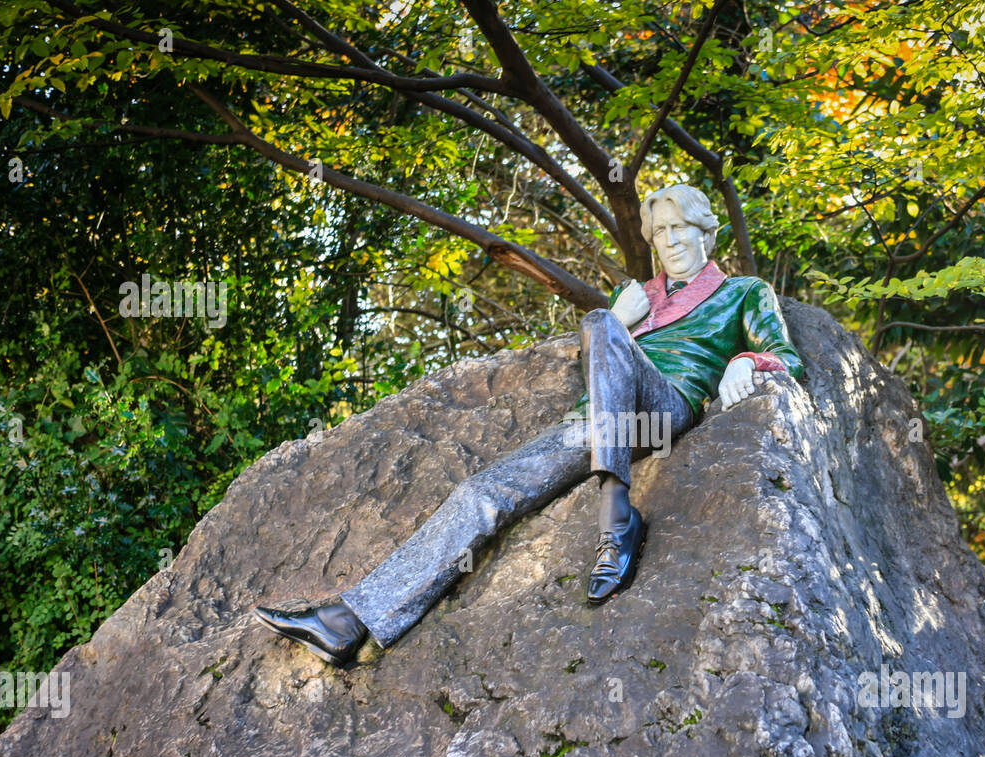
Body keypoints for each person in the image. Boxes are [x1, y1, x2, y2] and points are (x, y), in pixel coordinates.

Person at [254, 184, 804, 666]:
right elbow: (595, 360)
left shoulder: (743, 293)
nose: (671, 240)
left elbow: (787, 355)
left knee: (599, 322)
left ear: (706, 230)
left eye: (681, 227)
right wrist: (623, 320)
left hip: (665, 408)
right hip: (597, 422)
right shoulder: (635, 299)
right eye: (660, 232)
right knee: (483, 490)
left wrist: (744, 361)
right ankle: (349, 622)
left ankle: (617, 519)